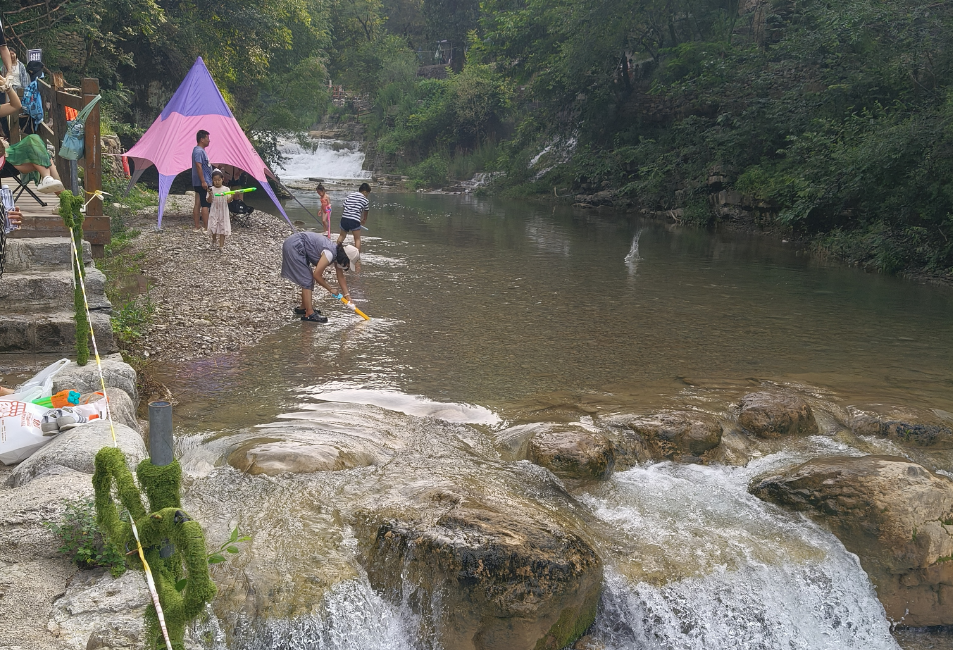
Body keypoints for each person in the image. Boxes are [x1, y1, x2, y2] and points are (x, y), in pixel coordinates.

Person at [280, 231, 360, 322]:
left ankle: (304, 307)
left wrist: (347, 295)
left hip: (297, 245)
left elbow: (340, 277)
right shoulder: (330, 254)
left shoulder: (337, 253)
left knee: (307, 278)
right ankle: (309, 314)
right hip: (294, 246)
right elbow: (317, 275)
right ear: (345, 258)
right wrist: (330, 289)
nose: (347, 267)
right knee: (308, 279)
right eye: (348, 264)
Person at [0, 134, 65, 194]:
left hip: (8, 152)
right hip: (5, 159)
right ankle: (48, 179)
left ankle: (47, 178)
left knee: (35, 140)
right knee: (43, 156)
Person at [336, 182, 370, 250]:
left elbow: (344, 205)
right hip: (354, 220)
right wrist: (364, 220)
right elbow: (366, 211)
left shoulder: (350, 195)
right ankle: (357, 258)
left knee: (342, 236)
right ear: (365, 192)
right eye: (367, 194)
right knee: (357, 239)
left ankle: (335, 252)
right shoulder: (365, 200)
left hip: (344, 218)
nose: (367, 196)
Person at [206, 169, 232, 251]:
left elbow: (228, 200)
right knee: (213, 225)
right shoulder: (211, 189)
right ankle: (214, 240)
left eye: (219, 180)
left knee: (222, 227)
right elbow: (209, 201)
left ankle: (221, 246)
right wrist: (210, 194)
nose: (217, 182)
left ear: (222, 179)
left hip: (223, 210)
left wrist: (233, 195)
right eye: (215, 180)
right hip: (214, 209)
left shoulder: (226, 189)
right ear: (212, 180)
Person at [191, 130, 212, 232]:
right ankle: (206, 226)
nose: (209, 140)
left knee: (198, 203)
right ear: (202, 139)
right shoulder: (199, 151)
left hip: (199, 181)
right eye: (207, 138)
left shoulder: (199, 150)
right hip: (202, 182)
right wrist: (203, 181)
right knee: (205, 204)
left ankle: (197, 226)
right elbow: (198, 166)